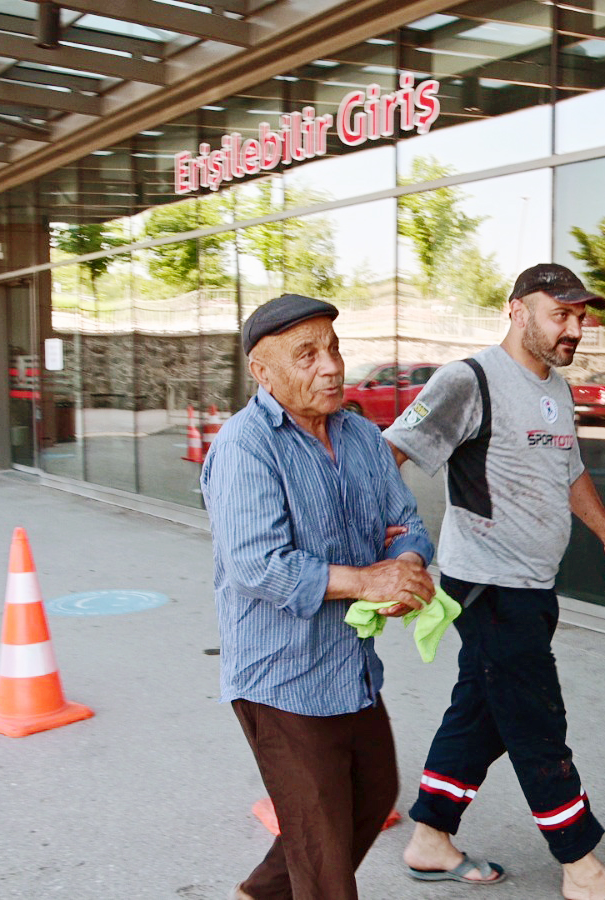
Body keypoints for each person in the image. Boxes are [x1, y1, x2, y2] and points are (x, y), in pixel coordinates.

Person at [384, 263, 605, 900]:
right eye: (559, 313)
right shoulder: (469, 379)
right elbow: (388, 453)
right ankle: (581, 867)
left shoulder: (556, 388)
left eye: (579, 315)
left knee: (481, 712)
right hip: (486, 585)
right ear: (517, 310)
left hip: (532, 586)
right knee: (537, 720)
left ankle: (430, 838)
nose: (574, 327)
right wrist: (396, 545)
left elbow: (569, 471)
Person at [201, 293, 436, 900]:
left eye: (333, 349)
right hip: (279, 677)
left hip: (350, 668)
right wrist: (366, 580)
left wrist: (406, 564)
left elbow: (406, 522)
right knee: (328, 865)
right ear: (263, 372)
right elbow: (259, 565)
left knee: (372, 795)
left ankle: (260, 893)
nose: (330, 367)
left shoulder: (360, 434)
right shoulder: (244, 447)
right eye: (307, 355)